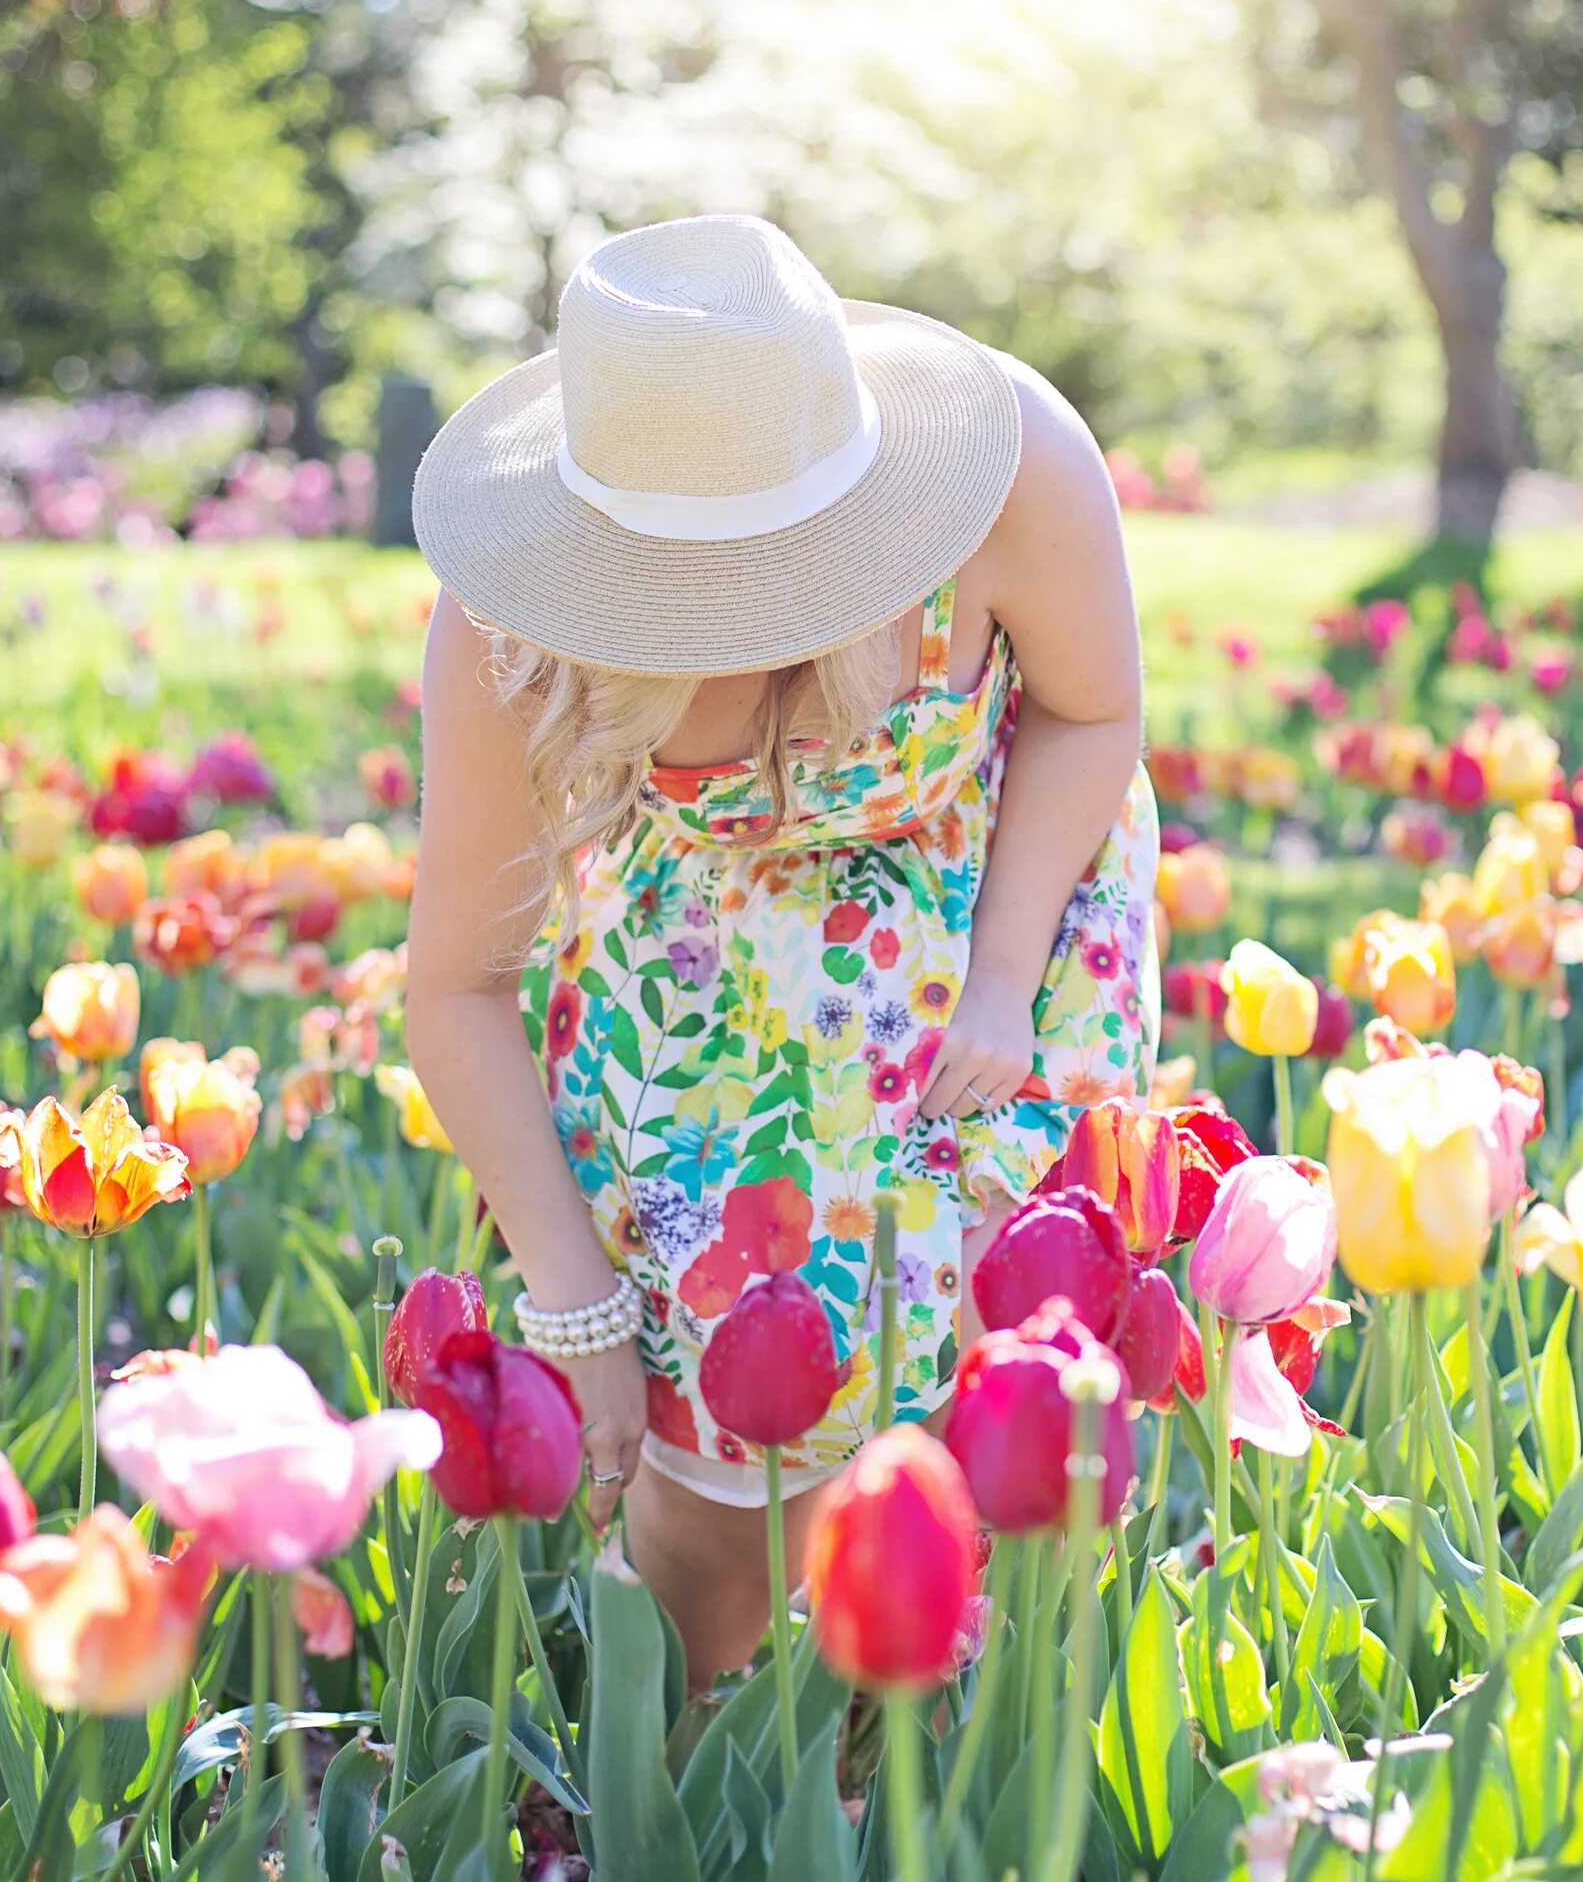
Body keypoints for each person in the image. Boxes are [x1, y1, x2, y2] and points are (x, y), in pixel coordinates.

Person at [405, 213, 1157, 1687]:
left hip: (996, 904)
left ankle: (958, 1776)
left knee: (993, 1426)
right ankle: (699, 1777)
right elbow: (457, 985)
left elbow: (1094, 711)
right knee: (716, 1477)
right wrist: (577, 1296)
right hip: (699, 972)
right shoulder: (521, 631)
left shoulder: (1011, 475)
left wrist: (1004, 970)